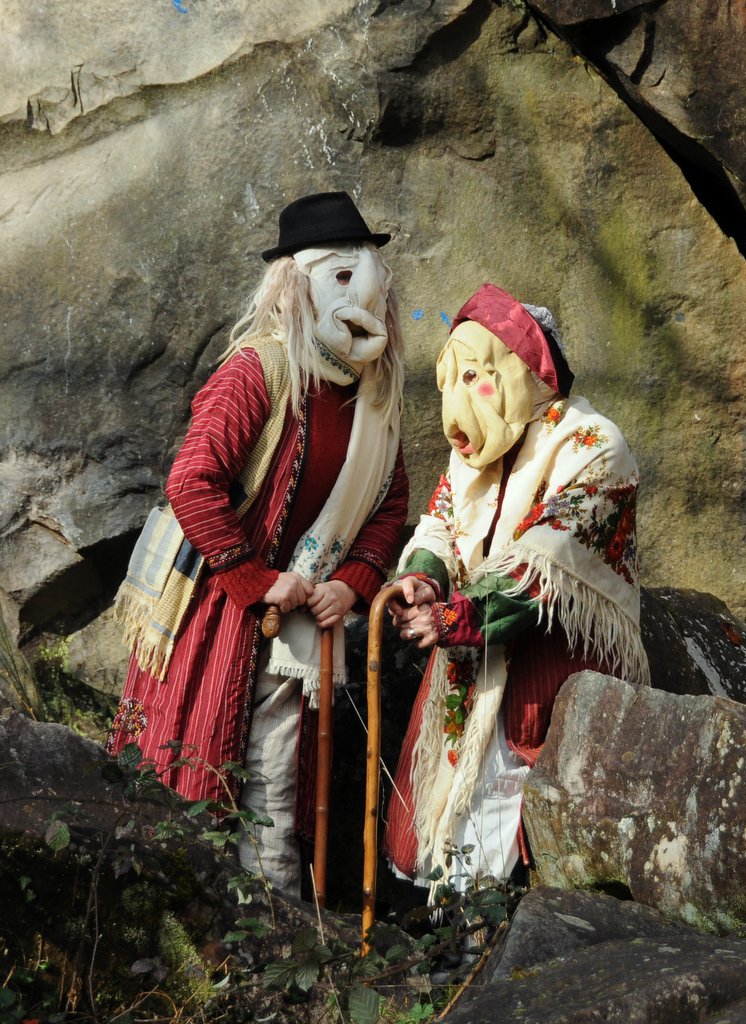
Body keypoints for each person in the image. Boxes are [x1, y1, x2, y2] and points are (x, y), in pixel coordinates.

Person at [107, 191, 409, 896]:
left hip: (300, 624)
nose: (360, 296)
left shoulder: (377, 396)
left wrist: (353, 583)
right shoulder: (258, 370)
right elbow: (193, 482)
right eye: (339, 276)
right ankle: (168, 915)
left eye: (365, 276)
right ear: (296, 285)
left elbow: (389, 503)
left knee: (275, 780)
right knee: (190, 760)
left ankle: (271, 923)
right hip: (215, 607)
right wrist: (254, 578)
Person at [384, 283, 649, 895]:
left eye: (476, 378)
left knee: (516, 807)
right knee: (435, 806)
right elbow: (441, 522)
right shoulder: (478, 451)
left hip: (550, 663)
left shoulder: (593, 445)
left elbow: (546, 564)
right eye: (453, 381)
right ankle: (445, 918)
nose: (458, 406)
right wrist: (422, 579)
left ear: (523, 372)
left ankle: (495, 922)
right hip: (472, 649)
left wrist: (451, 619)